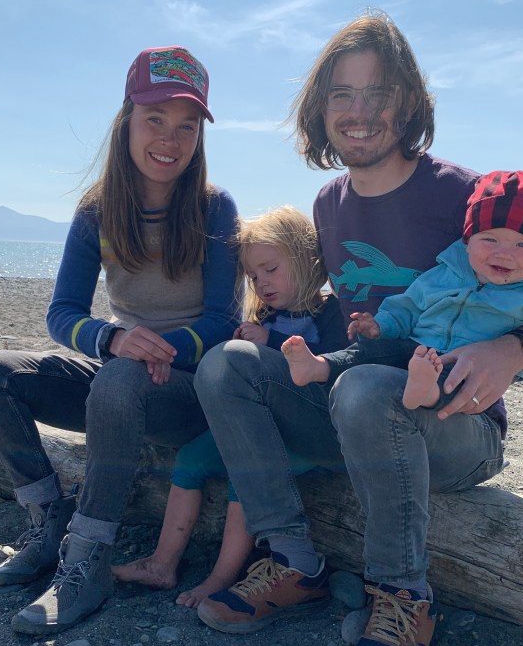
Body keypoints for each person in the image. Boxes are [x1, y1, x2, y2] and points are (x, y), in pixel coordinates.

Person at [194, 11, 523, 646]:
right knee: (227, 367)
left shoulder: (461, 194)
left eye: (378, 93)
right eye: (342, 94)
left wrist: (517, 346)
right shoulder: (329, 204)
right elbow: (332, 317)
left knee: (363, 391)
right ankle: (295, 560)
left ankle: (403, 595)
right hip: (353, 413)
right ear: (320, 109)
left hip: (458, 429)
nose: (360, 112)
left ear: (408, 103)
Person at [0, 45, 241, 635]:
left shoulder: (216, 209)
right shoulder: (97, 213)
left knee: (122, 374)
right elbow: (63, 313)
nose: (170, 139)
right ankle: (46, 522)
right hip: (122, 374)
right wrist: (113, 338)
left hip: (192, 390)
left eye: (187, 126)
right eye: (156, 120)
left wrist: (159, 351)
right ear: (127, 121)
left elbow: (223, 318)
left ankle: (86, 560)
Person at [112, 206, 348, 607]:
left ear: (308, 260)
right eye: (254, 276)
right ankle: (162, 564)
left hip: (312, 429)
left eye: (271, 269)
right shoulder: (266, 316)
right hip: (256, 426)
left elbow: (332, 368)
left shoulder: (331, 313)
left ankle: (221, 577)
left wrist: (269, 344)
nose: (262, 282)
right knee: (190, 458)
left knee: (249, 473)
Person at [283, 170, 523, 437]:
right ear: (467, 240)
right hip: (415, 347)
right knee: (367, 351)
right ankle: (318, 366)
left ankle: (428, 392)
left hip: (462, 365)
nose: (505, 253)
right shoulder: (445, 273)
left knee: (455, 378)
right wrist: (380, 326)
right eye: (491, 240)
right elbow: (407, 306)